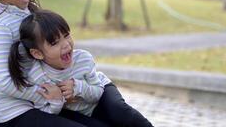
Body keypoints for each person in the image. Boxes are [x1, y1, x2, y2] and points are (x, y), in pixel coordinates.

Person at [10, 9, 154, 127]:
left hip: (101, 92)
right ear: (38, 53)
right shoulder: (38, 76)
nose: (66, 44)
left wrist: (78, 88)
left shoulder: (83, 59)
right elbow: (46, 113)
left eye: (66, 35)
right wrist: (57, 100)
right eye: (54, 42)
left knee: (120, 112)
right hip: (79, 113)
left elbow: (97, 92)